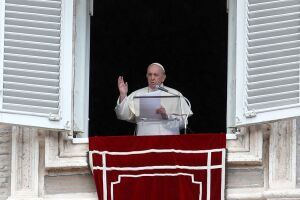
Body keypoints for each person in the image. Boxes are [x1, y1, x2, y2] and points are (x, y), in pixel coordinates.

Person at [115, 63, 193, 136]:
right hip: (144, 139)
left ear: (163, 78)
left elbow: (184, 123)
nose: (152, 78)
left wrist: (166, 116)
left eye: (156, 75)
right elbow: (122, 115)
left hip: (169, 140)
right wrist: (123, 94)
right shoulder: (137, 94)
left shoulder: (175, 94)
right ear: (146, 76)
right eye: (150, 74)